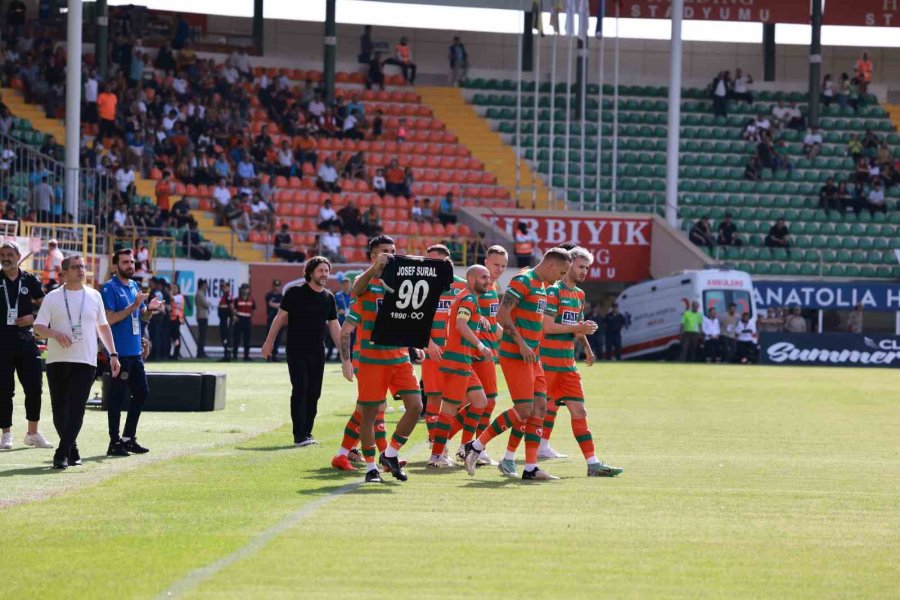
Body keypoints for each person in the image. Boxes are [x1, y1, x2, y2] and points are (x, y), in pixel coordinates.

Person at [461, 248, 573, 481]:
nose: (561, 278)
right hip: (516, 355)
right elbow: (502, 314)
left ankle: (530, 467)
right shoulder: (524, 280)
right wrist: (521, 343)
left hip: (533, 358)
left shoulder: (541, 285)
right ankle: (477, 446)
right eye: (561, 272)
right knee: (523, 409)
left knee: (540, 407)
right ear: (551, 265)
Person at [334, 235, 423, 483]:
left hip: (400, 358)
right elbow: (348, 323)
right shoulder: (366, 287)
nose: (391, 254)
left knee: (416, 407)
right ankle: (371, 467)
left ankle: (390, 454)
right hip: (372, 359)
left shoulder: (402, 280)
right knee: (370, 413)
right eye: (385, 250)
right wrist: (346, 361)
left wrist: (416, 345)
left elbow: (411, 315)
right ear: (373, 255)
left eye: (394, 250)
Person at [538, 247, 622, 477]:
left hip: (567, 365)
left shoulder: (579, 294)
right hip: (547, 363)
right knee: (532, 411)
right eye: (580, 266)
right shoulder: (553, 291)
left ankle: (593, 463)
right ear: (568, 265)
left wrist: (586, 346)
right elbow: (547, 326)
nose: (584, 271)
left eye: (587, 267)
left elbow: (576, 323)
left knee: (579, 411)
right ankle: (495, 451)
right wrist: (578, 328)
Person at [34, 254, 121, 470]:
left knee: (76, 409)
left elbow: (103, 327)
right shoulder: (53, 297)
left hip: (86, 361)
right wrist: (55, 334)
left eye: (82, 267)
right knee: (58, 411)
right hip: (57, 361)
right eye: (75, 267)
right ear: (64, 272)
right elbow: (37, 328)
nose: (81, 270)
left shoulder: (94, 295)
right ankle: (71, 448)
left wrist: (113, 354)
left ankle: (61, 453)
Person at [263, 258, 340, 446]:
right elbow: (280, 318)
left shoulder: (329, 297)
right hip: (296, 349)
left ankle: (307, 432)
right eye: (320, 270)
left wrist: (344, 353)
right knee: (300, 388)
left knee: (314, 392)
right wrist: (269, 342)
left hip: (317, 351)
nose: (324, 274)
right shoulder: (295, 293)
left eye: (327, 271)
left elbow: (334, 326)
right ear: (311, 272)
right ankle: (299, 435)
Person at [427, 265, 494, 468]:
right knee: (448, 409)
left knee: (481, 401)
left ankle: (466, 447)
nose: (488, 281)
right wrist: (481, 346)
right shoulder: (468, 298)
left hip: (463, 360)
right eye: (484, 277)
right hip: (457, 360)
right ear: (472, 279)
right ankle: (437, 455)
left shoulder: (467, 298)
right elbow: (460, 325)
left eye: (489, 278)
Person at [101, 248, 163, 457]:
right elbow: (109, 319)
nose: (130, 265)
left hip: (135, 352)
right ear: (115, 265)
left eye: (132, 261)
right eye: (126, 262)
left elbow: (142, 317)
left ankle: (128, 438)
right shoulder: (109, 288)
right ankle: (114, 442)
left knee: (142, 393)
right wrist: (133, 305)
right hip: (119, 353)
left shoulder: (135, 285)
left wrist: (150, 308)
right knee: (116, 398)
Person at [0, 241, 53, 451]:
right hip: (2, 343)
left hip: (26, 340)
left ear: (18, 255)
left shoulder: (29, 279)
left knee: (34, 388)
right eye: (2, 254)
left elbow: (48, 306)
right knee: (3, 390)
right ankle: (6, 434)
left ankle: (33, 433)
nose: (5, 258)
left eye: (10, 254)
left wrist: (34, 318)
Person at [232, 284, 255, 362]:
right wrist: (234, 316)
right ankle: (234, 356)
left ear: (249, 290)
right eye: (243, 289)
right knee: (236, 339)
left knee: (247, 340)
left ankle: (246, 356)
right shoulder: (236, 300)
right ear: (241, 290)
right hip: (239, 320)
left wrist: (250, 316)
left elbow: (253, 309)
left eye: (246, 289)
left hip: (247, 320)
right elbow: (233, 309)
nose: (245, 290)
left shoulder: (252, 300)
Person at [265, 279, 283, 362]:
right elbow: (269, 304)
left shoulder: (281, 296)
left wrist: (274, 304)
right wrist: (277, 305)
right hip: (271, 319)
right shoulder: (268, 295)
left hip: (279, 320)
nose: (276, 287)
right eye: (275, 285)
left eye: (278, 285)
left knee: (277, 338)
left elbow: (282, 306)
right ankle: (268, 355)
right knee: (269, 338)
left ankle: (275, 355)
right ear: (273, 286)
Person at [218, 281, 235, 361]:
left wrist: (233, 316)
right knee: (224, 337)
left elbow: (231, 307)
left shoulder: (228, 296)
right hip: (223, 319)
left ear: (228, 287)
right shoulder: (224, 296)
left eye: (224, 286)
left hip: (227, 319)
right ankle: (225, 354)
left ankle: (228, 355)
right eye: (221, 286)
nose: (222, 288)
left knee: (227, 337)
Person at [168, 283, 185, 359]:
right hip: (172, 318)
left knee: (176, 337)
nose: (174, 290)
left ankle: (176, 354)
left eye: (175, 288)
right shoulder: (176, 296)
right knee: (174, 337)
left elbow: (172, 298)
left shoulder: (179, 296)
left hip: (177, 318)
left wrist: (170, 291)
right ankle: (174, 353)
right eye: (173, 288)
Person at [195, 278, 210, 358]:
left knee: (203, 335)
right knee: (202, 335)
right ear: (202, 285)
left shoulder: (202, 293)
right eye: (205, 285)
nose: (206, 286)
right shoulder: (199, 294)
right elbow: (206, 305)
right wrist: (208, 304)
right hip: (202, 316)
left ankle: (201, 351)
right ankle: (200, 352)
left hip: (203, 316)